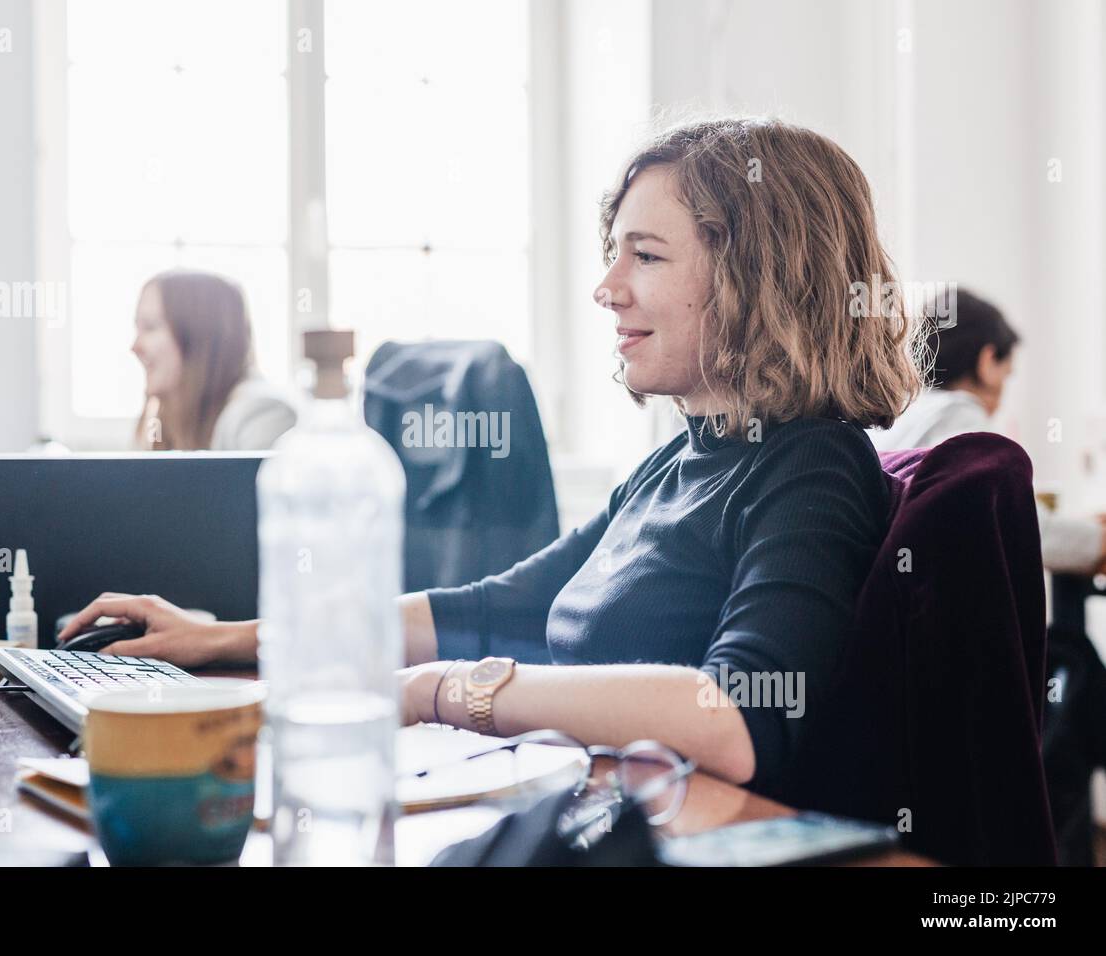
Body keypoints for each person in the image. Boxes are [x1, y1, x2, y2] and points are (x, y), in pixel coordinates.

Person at [61, 118, 922, 798]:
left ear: (757, 278)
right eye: (612, 251)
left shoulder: (811, 469)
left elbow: (736, 718)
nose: (607, 286)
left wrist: (448, 693)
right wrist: (229, 637)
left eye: (646, 256)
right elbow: (487, 609)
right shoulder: (677, 464)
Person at [870, 287, 1106, 573]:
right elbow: (1026, 531)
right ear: (987, 361)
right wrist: (1098, 540)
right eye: (1006, 375)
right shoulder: (959, 421)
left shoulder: (900, 416)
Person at [131, 269, 296, 451]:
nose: (135, 347)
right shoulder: (170, 420)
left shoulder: (261, 415)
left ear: (197, 336)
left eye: (151, 327)